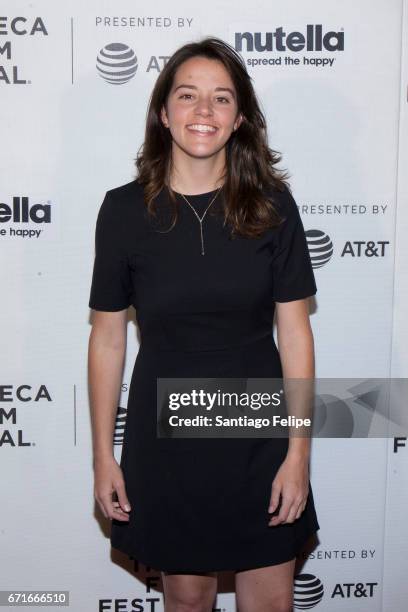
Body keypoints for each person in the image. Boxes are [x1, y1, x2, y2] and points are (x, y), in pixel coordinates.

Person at [88, 36, 320, 612]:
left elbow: (294, 333)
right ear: (163, 113)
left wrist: (298, 454)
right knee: (187, 603)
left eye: (221, 99)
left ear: (239, 118)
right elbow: (108, 337)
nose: (203, 112)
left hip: (258, 433)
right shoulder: (122, 211)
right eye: (188, 96)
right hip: (163, 439)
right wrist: (102, 455)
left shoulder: (273, 205)